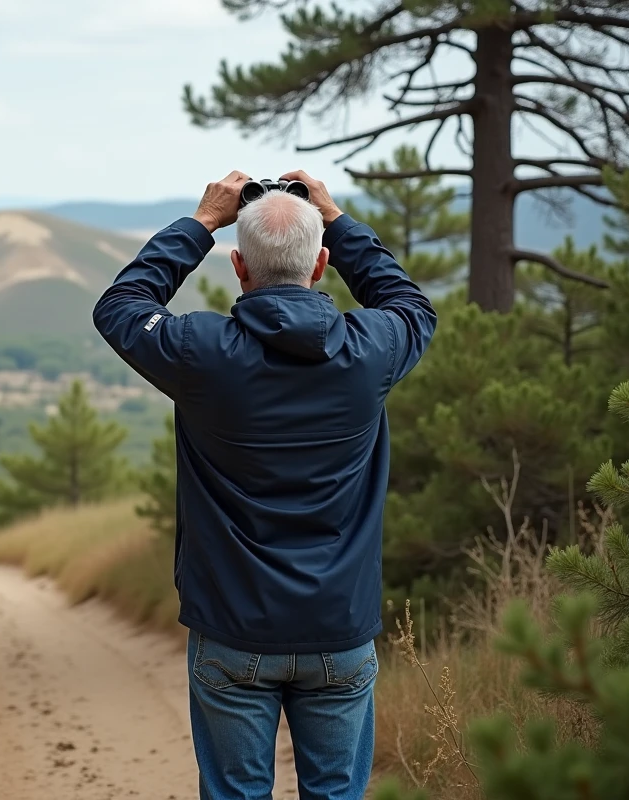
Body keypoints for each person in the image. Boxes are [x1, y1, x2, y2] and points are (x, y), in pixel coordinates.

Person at [92, 170, 438, 800]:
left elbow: (120, 308)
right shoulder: (371, 352)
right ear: (322, 265)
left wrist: (201, 222)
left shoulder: (203, 352)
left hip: (231, 629)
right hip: (339, 628)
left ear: (239, 267)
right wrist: (332, 214)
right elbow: (411, 304)